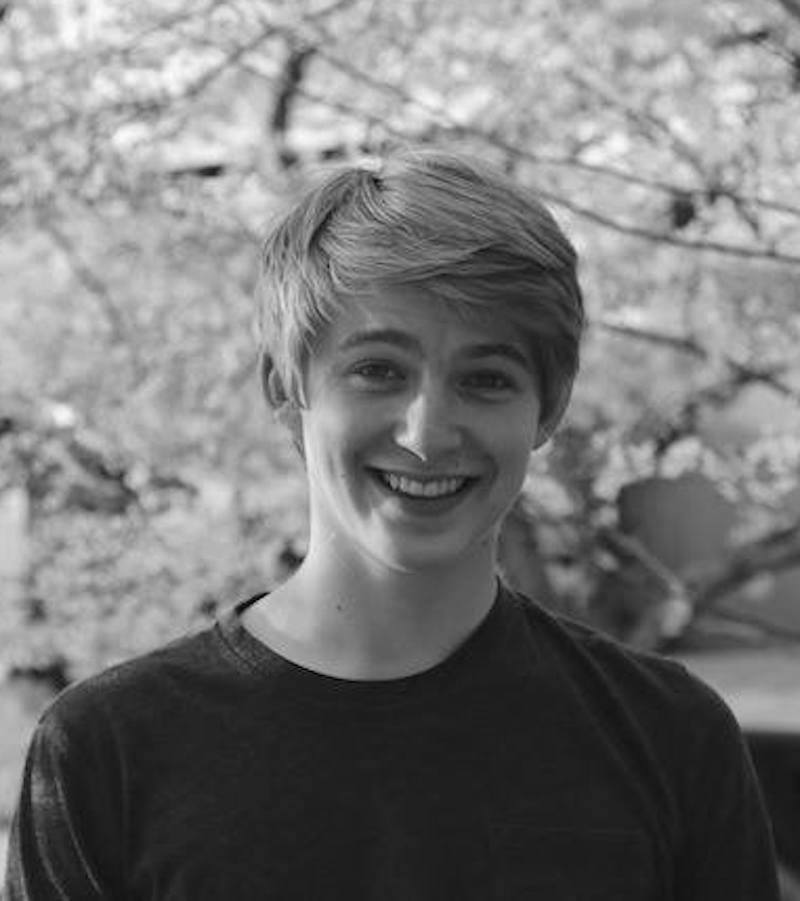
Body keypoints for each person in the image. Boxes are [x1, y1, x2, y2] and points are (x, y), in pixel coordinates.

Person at [5, 148, 779, 900]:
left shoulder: (670, 737)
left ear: (549, 407)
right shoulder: (107, 754)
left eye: (486, 378)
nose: (427, 432)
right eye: (378, 370)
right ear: (285, 388)